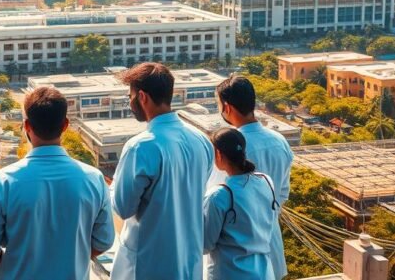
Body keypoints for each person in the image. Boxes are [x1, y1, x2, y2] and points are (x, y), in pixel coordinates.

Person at [0, 86, 114, 278]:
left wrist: (11, 264)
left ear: (27, 126)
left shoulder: (3, 181)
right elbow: (104, 241)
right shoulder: (93, 178)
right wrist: (71, 259)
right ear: (65, 125)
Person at [111, 62, 214, 280]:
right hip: (189, 260)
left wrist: (110, 189)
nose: (130, 103)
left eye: (130, 96)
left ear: (142, 97)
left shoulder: (142, 146)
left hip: (148, 263)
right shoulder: (201, 140)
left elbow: (123, 207)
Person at [215, 75, 294, 279]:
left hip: (237, 253)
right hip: (270, 239)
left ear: (227, 107)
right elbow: (283, 193)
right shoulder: (279, 140)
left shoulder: (229, 148)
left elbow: (216, 200)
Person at [203, 128, 279, 280]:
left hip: (230, 273)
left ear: (218, 154)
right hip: (263, 273)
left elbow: (205, 244)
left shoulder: (219, 195)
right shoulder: (266, 181)